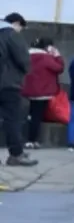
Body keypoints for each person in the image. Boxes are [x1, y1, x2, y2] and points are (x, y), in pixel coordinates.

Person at [0, 13, 34, 166]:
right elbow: (23, 59)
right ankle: (16, 154)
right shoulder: (11, 34)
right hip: (8, 84)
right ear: (16, 23)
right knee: (12, 120)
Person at [22, 37, 64, 150]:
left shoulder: (27, 55)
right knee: (37, 116)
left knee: (30, 115)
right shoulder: (46, 58)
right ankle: (32, 140)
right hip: (42, 92)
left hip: (27, 90)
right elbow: (59, 68)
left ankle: (28, 139)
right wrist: (57, 55)